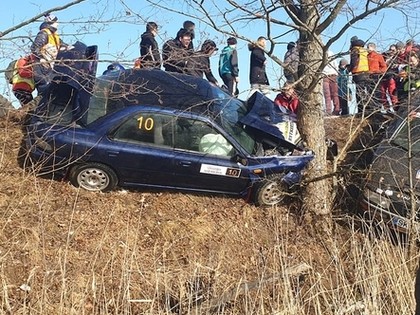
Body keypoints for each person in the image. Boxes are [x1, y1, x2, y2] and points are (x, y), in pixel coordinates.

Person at [30, 13, 68, 95]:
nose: (58, 24)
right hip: (41, 67)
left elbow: (63, 45)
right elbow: (34, 48)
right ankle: (39, 106)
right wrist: (41, 58)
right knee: (44, 89)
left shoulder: (54, 36)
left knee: (49, 89)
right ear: (51, 23)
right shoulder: (44, 33)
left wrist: (69, 47)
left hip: (49, 66)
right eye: (56, 22)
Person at [348, 36, 369, 114]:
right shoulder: (363, 50)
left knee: (359, 93)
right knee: (367, 92)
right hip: (366, 72)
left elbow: (354, 62)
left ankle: (361, 111)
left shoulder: (355, 50)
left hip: (358, 73)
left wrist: (349, 69)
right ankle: (367, 109)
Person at [367, 42, 387, 106]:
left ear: (373, 48)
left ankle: (378, 107)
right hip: (368, 76)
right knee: (370, 92)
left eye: (368, 47)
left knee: (377, 92)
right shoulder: (366, 56)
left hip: (376, 75)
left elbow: (384, 66)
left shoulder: (378, 56)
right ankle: (371, 108)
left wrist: (378, 72)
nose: (367, 49)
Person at [322, 50, 340, 115]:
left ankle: (331, 110)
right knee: (333, 94)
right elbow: (335, 65)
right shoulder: (331, 53)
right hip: (330, 75)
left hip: (327, 75)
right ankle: (334, 110)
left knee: (328, 95)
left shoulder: (320, 54)